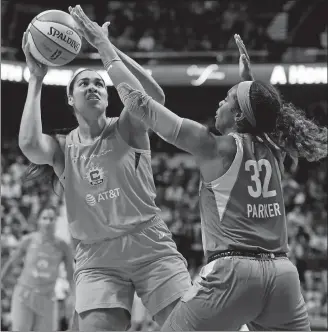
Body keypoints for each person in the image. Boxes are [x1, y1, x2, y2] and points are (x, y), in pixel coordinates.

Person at [116, 34, 327, 331]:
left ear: (239, 115)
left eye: (227, 99)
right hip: (282, 276)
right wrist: (247, 81)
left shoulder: (215, 147)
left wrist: (105, 49)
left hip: (234, 274)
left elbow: (144, 107)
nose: (219, 102)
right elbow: (262, 117)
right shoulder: (274, 149)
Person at [19, 5, 191, 331]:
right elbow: (29, 144)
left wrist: (104, 46)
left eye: (99, 84)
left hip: (151, 246)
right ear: (70, 99)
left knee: (187, 327)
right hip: (97, 260)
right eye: (83, 84)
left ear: (109, 97)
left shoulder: (127, 126)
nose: (93, 87)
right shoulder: (62, 147)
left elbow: (154, 95)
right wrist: (36, 80)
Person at [1, 204, 74, 331]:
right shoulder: (28, 240)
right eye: (44, 218)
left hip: (47, 298)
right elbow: (11, 263)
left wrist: (73, 297)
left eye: (52, 219)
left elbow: (70, 274)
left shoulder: (63, 246)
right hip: (24, 295)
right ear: (39, 220)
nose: (48, 222)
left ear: (56, 221)